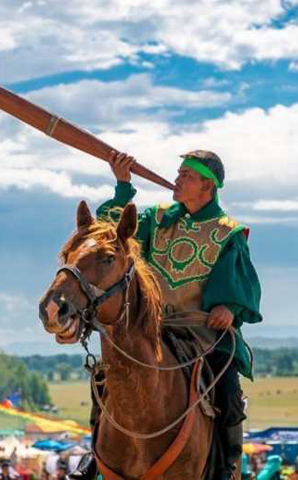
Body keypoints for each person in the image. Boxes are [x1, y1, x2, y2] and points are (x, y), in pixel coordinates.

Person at [70, 150, 262, 480]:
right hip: (151, 323)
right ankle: (97, 454)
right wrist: (123, 187)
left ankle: (226, 468)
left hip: (199, 328)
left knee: (227, 387)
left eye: (186, 175)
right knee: (108, 375)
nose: (177, 178)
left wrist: (229, 307)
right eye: (178, 172)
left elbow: (242, 283)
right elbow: (110, 239)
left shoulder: (227, 232)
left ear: (208, 186)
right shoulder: (156, 218)